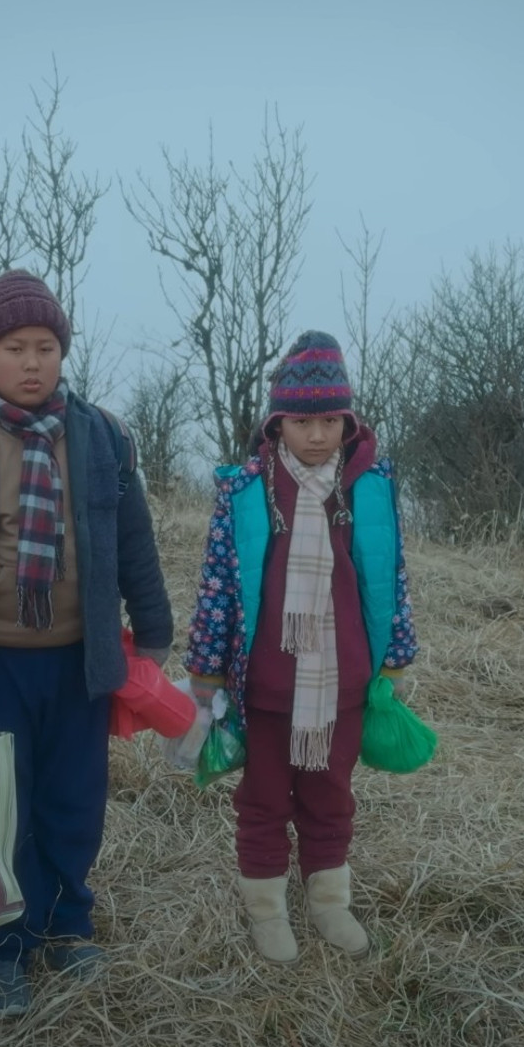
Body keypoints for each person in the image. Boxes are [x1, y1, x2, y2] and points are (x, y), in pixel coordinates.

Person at [0, 269, 174, 1018]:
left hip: (80, 662)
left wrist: (154, 631)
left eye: (46, 346)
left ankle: (66, 925)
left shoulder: (104, 438)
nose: (33, 362)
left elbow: (134, 543)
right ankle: (0, 949)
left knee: (73, 803)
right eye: (15, 348)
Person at [176, 330, 418, 963]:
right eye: (302, 422)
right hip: (266, 684)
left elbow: (390, 575)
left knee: (330, 794)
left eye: (330, 421)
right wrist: (207, 670)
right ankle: (267, 910)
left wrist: (396, 655)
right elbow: (219, 583)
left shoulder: (368, 487)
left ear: (348, 421)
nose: (316, 435)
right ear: (276, 423)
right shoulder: (246, 491)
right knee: (262, 798)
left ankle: (329, 903)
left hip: (344, 681)